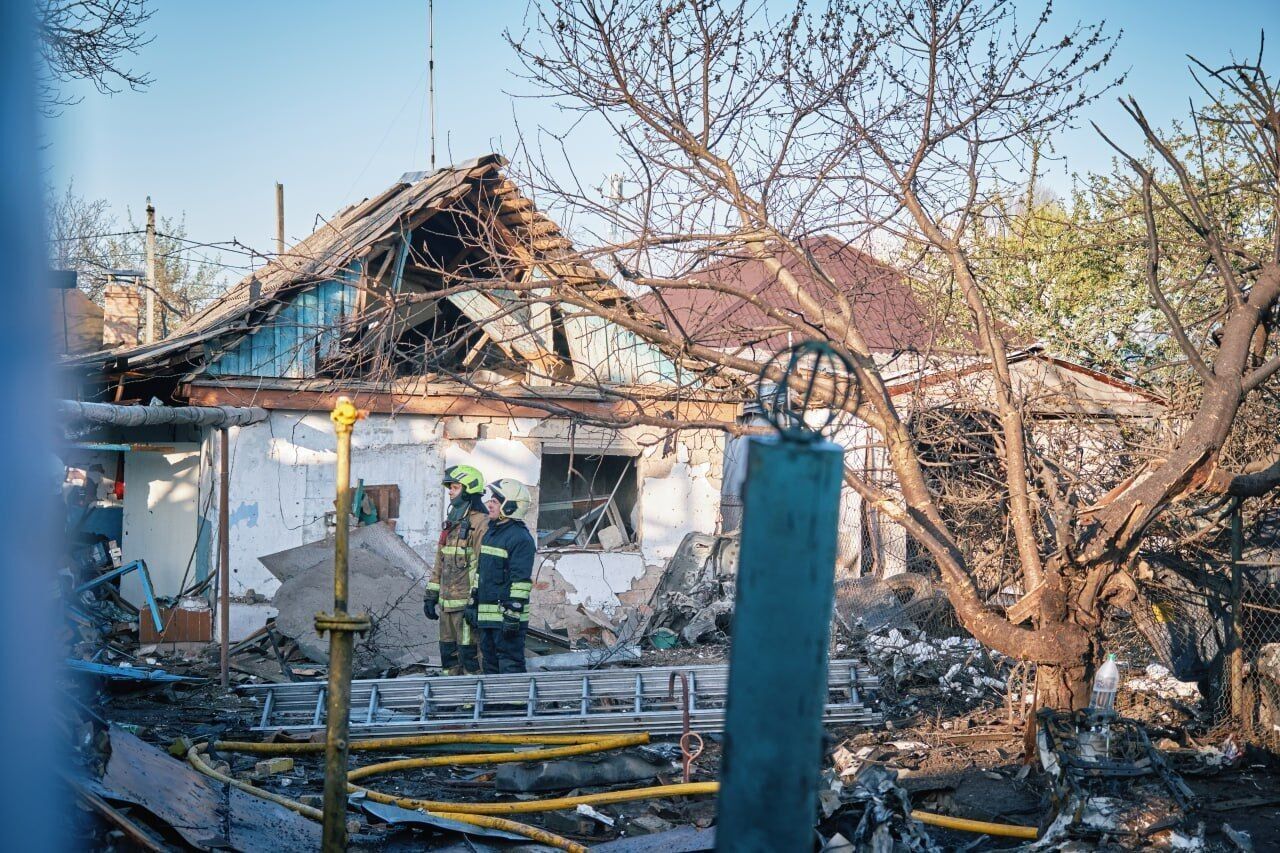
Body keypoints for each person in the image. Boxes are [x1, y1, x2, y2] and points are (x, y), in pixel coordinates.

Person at [423, 465, 487, 675]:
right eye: (450, 487)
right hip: (446, 606)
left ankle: (470, 703)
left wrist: (474, 602)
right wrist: (431, 595)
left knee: (469, 657)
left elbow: (482, 566)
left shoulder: (480, 524)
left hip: (465, 607)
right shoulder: (451, 524)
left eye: (455, 487)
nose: (450, 491)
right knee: (448, 657)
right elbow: (439, 562)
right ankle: (449, 700)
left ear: (469, 489)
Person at [473, 478, 535, 674]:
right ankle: (493, 705)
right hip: (487, 616)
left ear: (510, 507)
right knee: (490, 663)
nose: (489, 504)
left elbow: (521, 581)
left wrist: (513, 613)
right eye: (491, 499)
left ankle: (514, 704)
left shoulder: (520, 538)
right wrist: (473, 600)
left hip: (507, 617)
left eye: (496, 501)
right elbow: (481, 571)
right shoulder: (492, 533)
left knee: (510, 664)